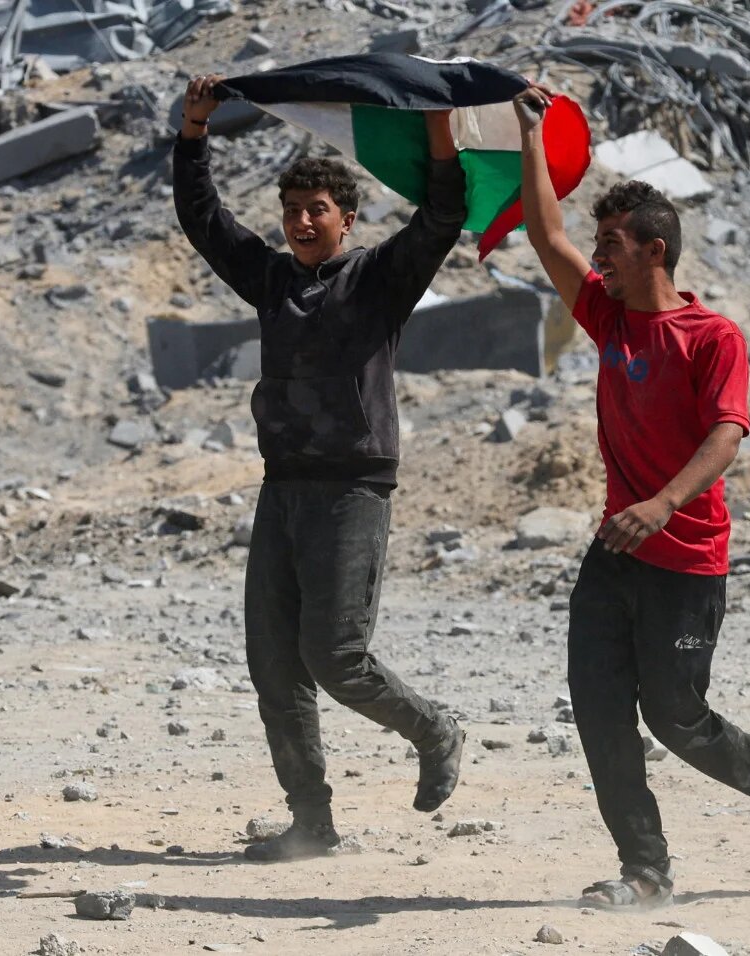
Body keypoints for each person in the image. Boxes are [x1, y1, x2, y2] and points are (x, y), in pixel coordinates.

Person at [512, 84, 750, 908]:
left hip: (686, 560)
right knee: (598, 713)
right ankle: (645, 872)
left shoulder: (712, 337)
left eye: (612, 243)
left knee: (676, 717)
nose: (599, 257)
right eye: (599, 243)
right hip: (614, 553)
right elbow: (545, 235)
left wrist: (661, 503)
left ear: (654, 250)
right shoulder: (608, 318)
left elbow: (727, 434)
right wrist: (529, 133)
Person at [172, 74, 466, 862]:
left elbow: (442, 215)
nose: (302, 222)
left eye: (317, 210)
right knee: (275, 665)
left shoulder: (378, 279)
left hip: (352, 488)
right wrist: (194, 131)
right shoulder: (273, 281)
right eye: (292, 210)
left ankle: (433, 728)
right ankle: (311, 822)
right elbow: (205, 221)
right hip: (284, 487)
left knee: (336, 655)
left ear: (347, 218)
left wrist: (439, 126)